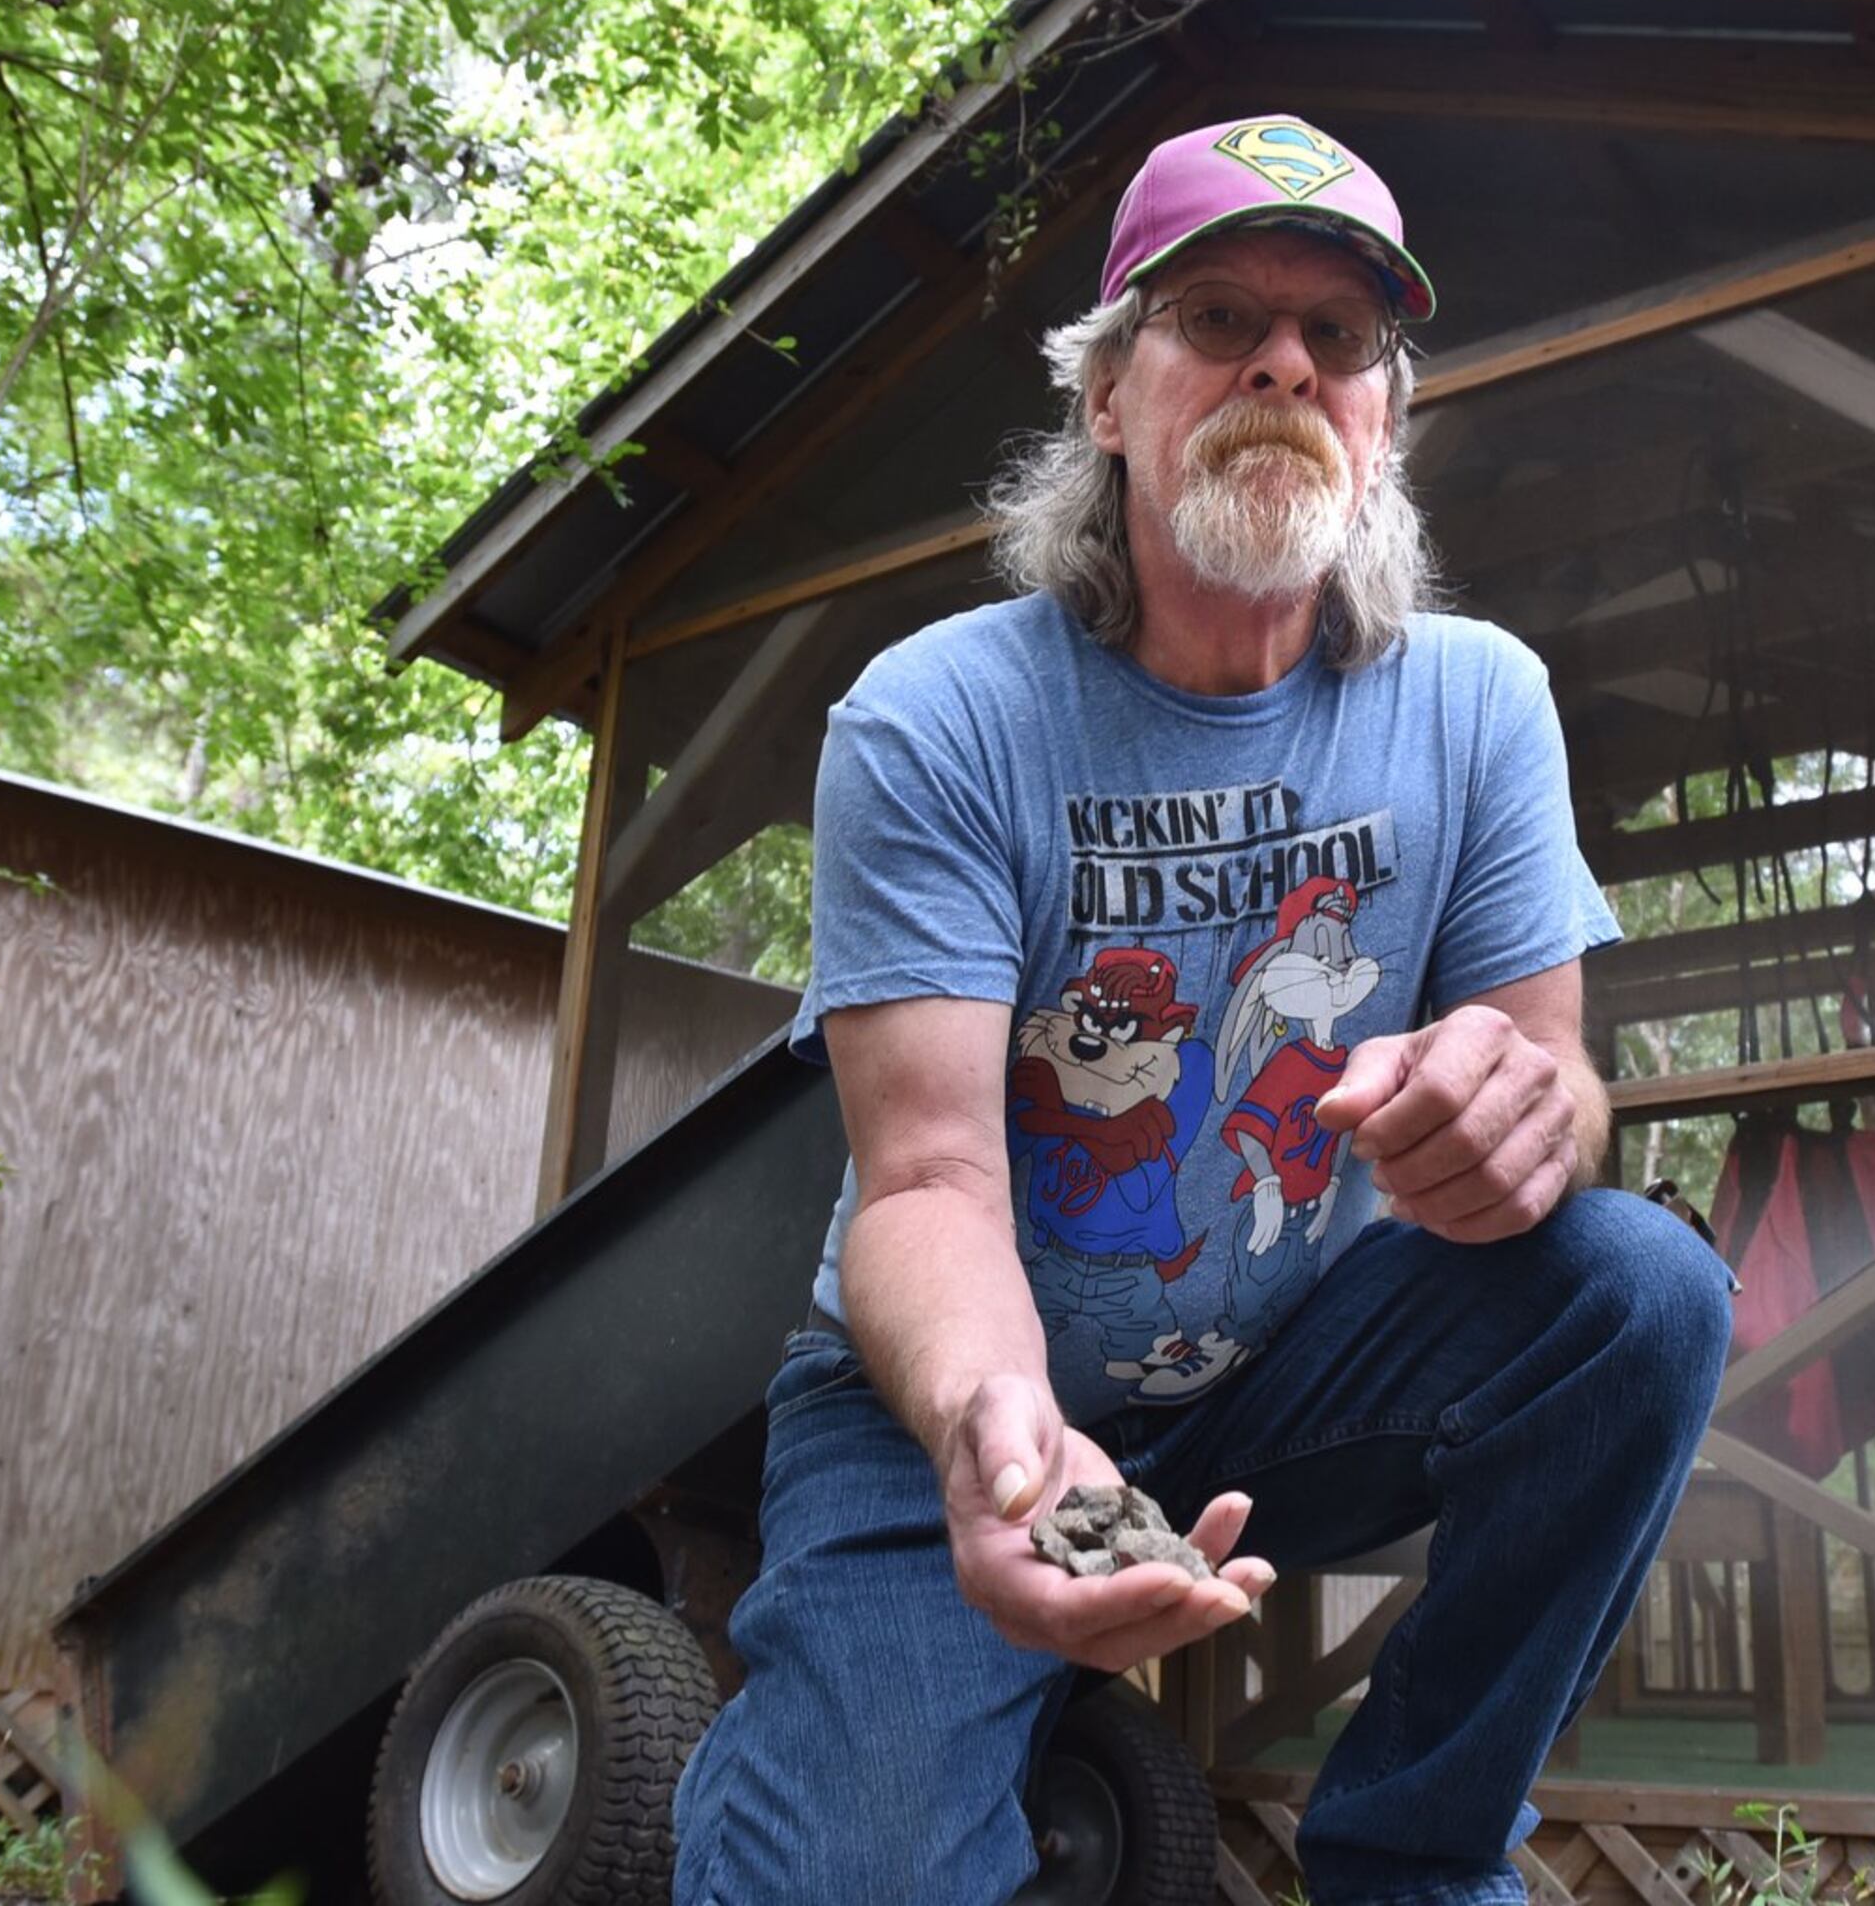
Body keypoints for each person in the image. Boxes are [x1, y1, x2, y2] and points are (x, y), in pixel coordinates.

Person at [666, 114, 1735, 1906]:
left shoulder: (1478, 703)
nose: (1285, 365)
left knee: (1642, 1289)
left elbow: (1556, 1072)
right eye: (1220, 316)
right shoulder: (938, 721)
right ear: (1108, 395)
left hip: (1294, 1378)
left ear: (1383, 415)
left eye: (1341, 336)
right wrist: (997, 1430)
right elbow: (926, 1181)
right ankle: (838, 1724)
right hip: (952, 1410)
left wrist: (1526, 1122)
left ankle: (1416, 1861)